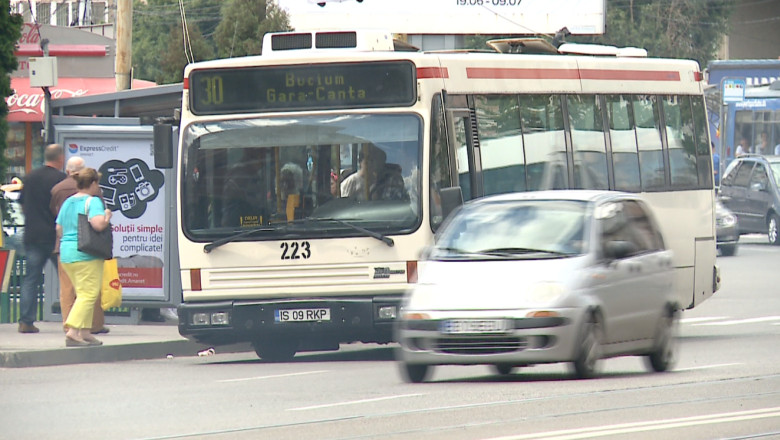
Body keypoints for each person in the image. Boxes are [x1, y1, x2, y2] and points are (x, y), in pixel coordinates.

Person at [50, 156, 108, 335]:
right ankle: (73, 331)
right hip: (86, 254)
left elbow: (59, 228)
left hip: (66, 254)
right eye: (97, 183)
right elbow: (98, 225)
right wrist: (107, 216)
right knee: (88, 294)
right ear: (92, 183)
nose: (98, 187)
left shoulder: (68, 202)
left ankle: (85, 333)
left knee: (75, 292)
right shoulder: (93, 201)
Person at [17, 144, 66, 333]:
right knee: (67, 279)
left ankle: (26, 321)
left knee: (31, 279)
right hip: (54, 236)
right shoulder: (61, 179)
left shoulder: (30, 177)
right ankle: (72, 321)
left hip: (33, 235)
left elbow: (22, 204)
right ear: (60, 158)